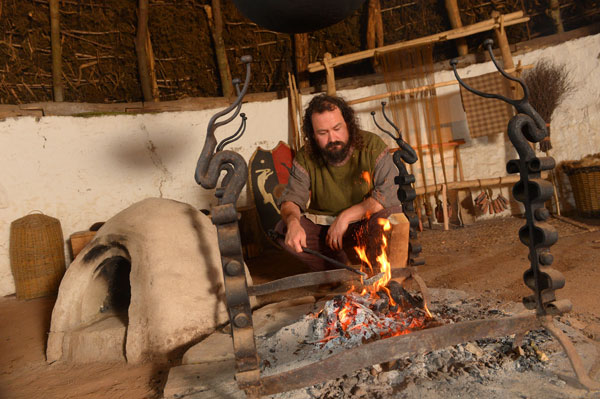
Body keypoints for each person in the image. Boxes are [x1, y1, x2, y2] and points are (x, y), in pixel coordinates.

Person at [275, 94, 402, 272]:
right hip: (327, 232)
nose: (332, 138)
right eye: (322, 133)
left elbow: (388, 194)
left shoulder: (373, 146)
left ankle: (378, 272)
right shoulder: (305, 156)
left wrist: (346, 217)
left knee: (391, 215)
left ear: (348, 124)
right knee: (283, 229)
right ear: (313, 135)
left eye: (337, 128)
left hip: (366, 225)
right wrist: (294, 223)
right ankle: (339, 269)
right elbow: (292, 200)